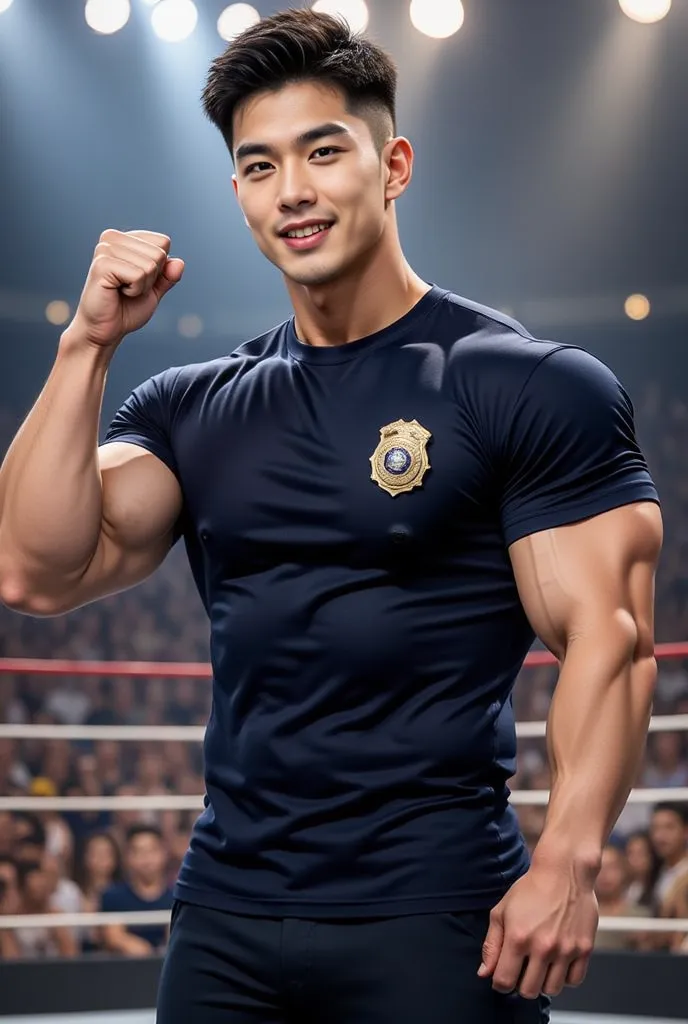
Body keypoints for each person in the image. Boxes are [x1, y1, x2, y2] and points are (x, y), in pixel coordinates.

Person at [0, 8, 663, 1023]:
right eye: (258, 166)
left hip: (436, 913)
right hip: (224, 910)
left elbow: (607, 639)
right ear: (237, 193)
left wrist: (568, 861)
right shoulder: (190, 404)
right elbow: (35, 571)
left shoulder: (520, 383)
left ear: (392, 164)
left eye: (322, 151)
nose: (292, 190)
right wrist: (86, 346)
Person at [100, 825, 174, 956]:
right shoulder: (112, 896)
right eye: (139, 851)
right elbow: (112, 937)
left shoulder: (177, 897)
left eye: (152, 850)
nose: (146, 858)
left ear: (164, 854)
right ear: (127, 857)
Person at [592, 844, 650, 951]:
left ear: (624, 871)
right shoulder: (579, 916)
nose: (605, 874)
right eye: (599, 868)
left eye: (612, 868)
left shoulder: (639, 916)